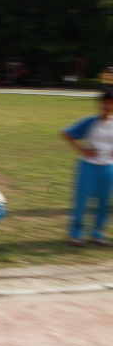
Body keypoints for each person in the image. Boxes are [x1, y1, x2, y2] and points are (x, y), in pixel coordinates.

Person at [61, 90, 113, 246]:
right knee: (82, 201)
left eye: (111, 103)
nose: (108, 106)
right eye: (106, 102)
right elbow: (66, 133)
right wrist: (82, 150)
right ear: (100, 103)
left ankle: (98, 233)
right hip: (88, 167)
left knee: (104, 202)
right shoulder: (90, 121)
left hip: (108, 168)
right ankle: (76, 234)